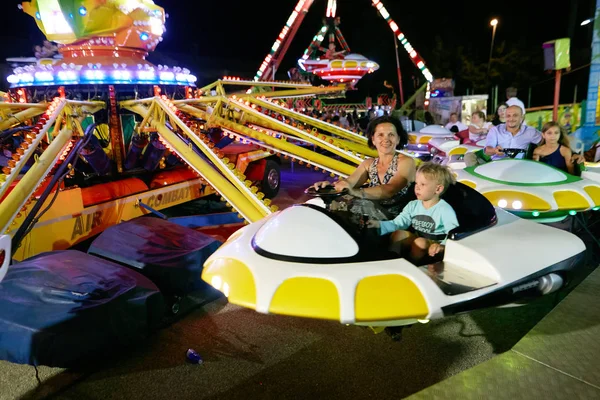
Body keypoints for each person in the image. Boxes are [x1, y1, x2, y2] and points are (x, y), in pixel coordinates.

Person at [311, 115, 416, 219]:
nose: (386, 139)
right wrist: (329, 187)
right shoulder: (369, 164)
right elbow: (348, 183)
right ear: (373, 139)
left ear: (398, 139)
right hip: (371, 213)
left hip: (396, 219)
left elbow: (390, 189)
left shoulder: (406, 162)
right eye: (380, 135)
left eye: (391, 135)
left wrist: (357, 192)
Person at [367, 162, 459, 263]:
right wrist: (379, 224)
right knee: (399, 234)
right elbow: (398, 223)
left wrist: (442, 246)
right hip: (417, 238)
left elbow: (453, 233)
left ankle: (411, 265)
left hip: (434, 246)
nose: (417, 188)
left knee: (420, 242)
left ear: (438, 189)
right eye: (416, 183)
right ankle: (391, 260)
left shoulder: (444, 210)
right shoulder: (413, 205)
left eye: (423, 184)